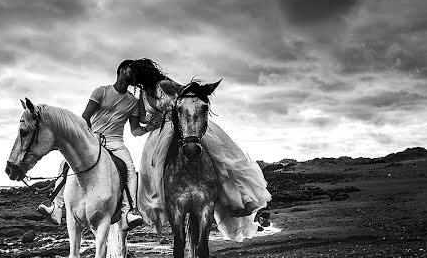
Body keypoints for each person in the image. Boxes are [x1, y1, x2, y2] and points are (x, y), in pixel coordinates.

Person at [131, 58, 271, 241]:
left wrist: (184, 107)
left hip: (181, 124)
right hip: (158, 131)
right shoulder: (142, 94)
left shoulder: (164, 83)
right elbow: (142, 117)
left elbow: (188, 92)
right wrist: (150, 123)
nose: (133, 80)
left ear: (142, 73)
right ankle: (158, 200)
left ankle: (232, 198)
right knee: (151, 166)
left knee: (219, 158)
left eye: (135, 75)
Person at [37, 60, 148, 229]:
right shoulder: (101, 91)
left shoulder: (133, 101)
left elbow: (134, 130)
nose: (134, 74)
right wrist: (87, 139)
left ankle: (129, 212)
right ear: (122, 70)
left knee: (130, 169)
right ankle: (55, 206)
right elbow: (85, 118)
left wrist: (150, 127)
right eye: (131, 70)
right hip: (92, 137)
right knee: (65, 163)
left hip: (115, 141)